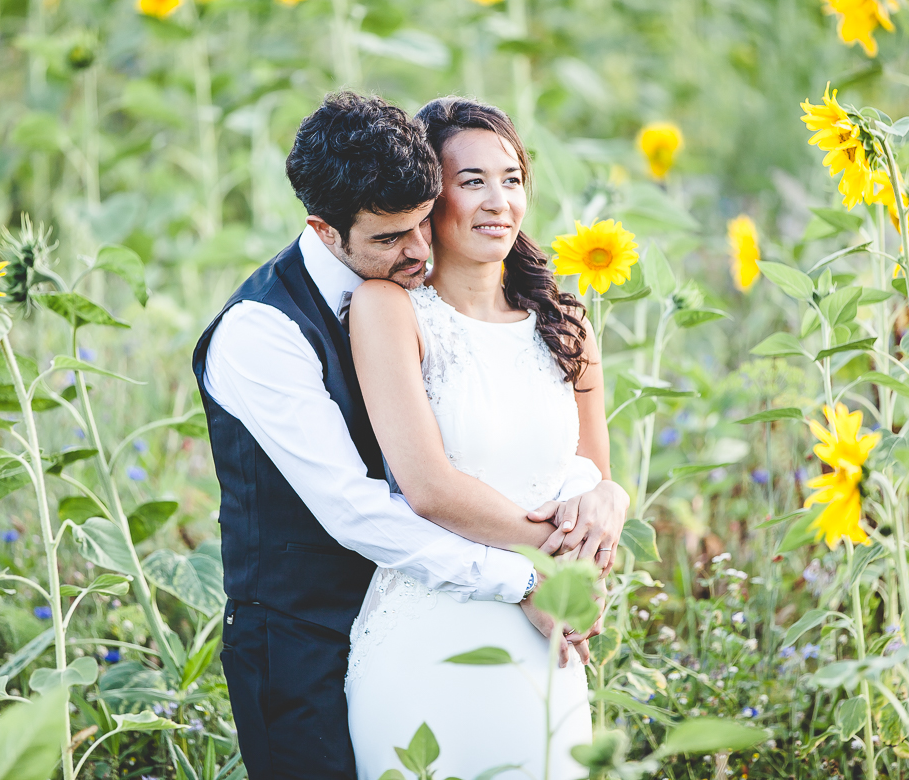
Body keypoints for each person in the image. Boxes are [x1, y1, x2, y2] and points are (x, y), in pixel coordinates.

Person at [191, 92, 628, 780]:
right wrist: (534, 573)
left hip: (461, 603)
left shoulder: (526, 312)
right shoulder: (262, 332)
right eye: (392, 238)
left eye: (424, 223)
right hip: (300, 634)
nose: (418, 251)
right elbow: (356, 508)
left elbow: (581, 461)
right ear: (326, 230)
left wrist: (608, 499)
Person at [345, 97, 623, 780]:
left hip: (547, 645)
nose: (498, 200)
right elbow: (430, 487)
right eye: (472, 182)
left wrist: (611, 504)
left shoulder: (566, 325)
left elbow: (592, 471)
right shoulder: (390, 311)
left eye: (512, 178)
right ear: (427, 199)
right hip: (429, 640)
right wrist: (555, 564)